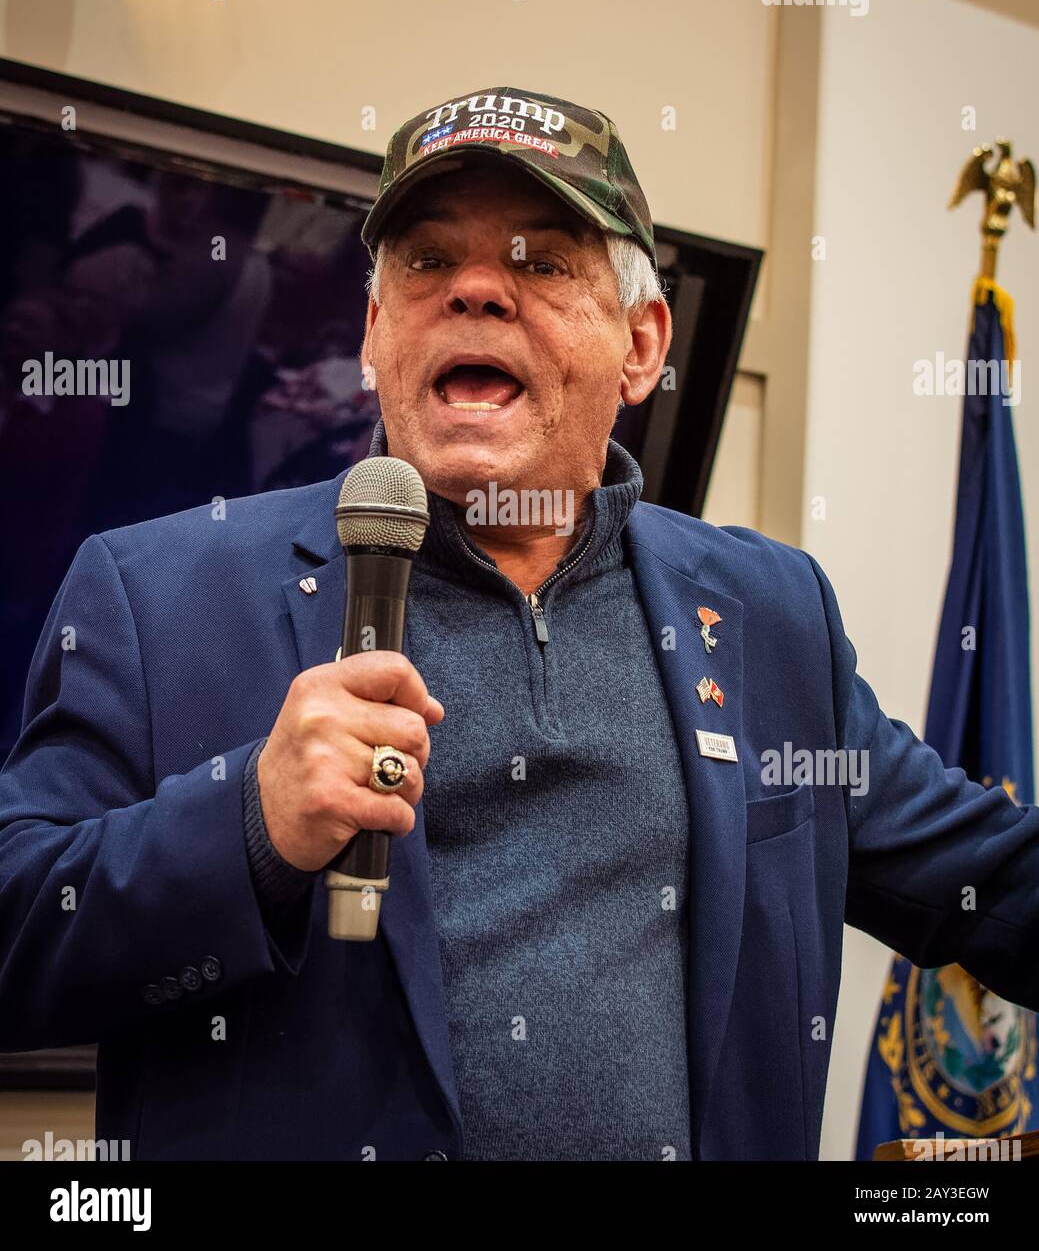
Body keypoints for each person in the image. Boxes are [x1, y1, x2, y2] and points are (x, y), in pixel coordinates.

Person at [1, 86, 1038, 1162]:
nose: (477, 291)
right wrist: (246, 826)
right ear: (372, 332)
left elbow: (992, 884)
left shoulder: (769, 616)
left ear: (641, 345)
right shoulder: (157, 595)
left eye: (541, 261)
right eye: (426, 262)